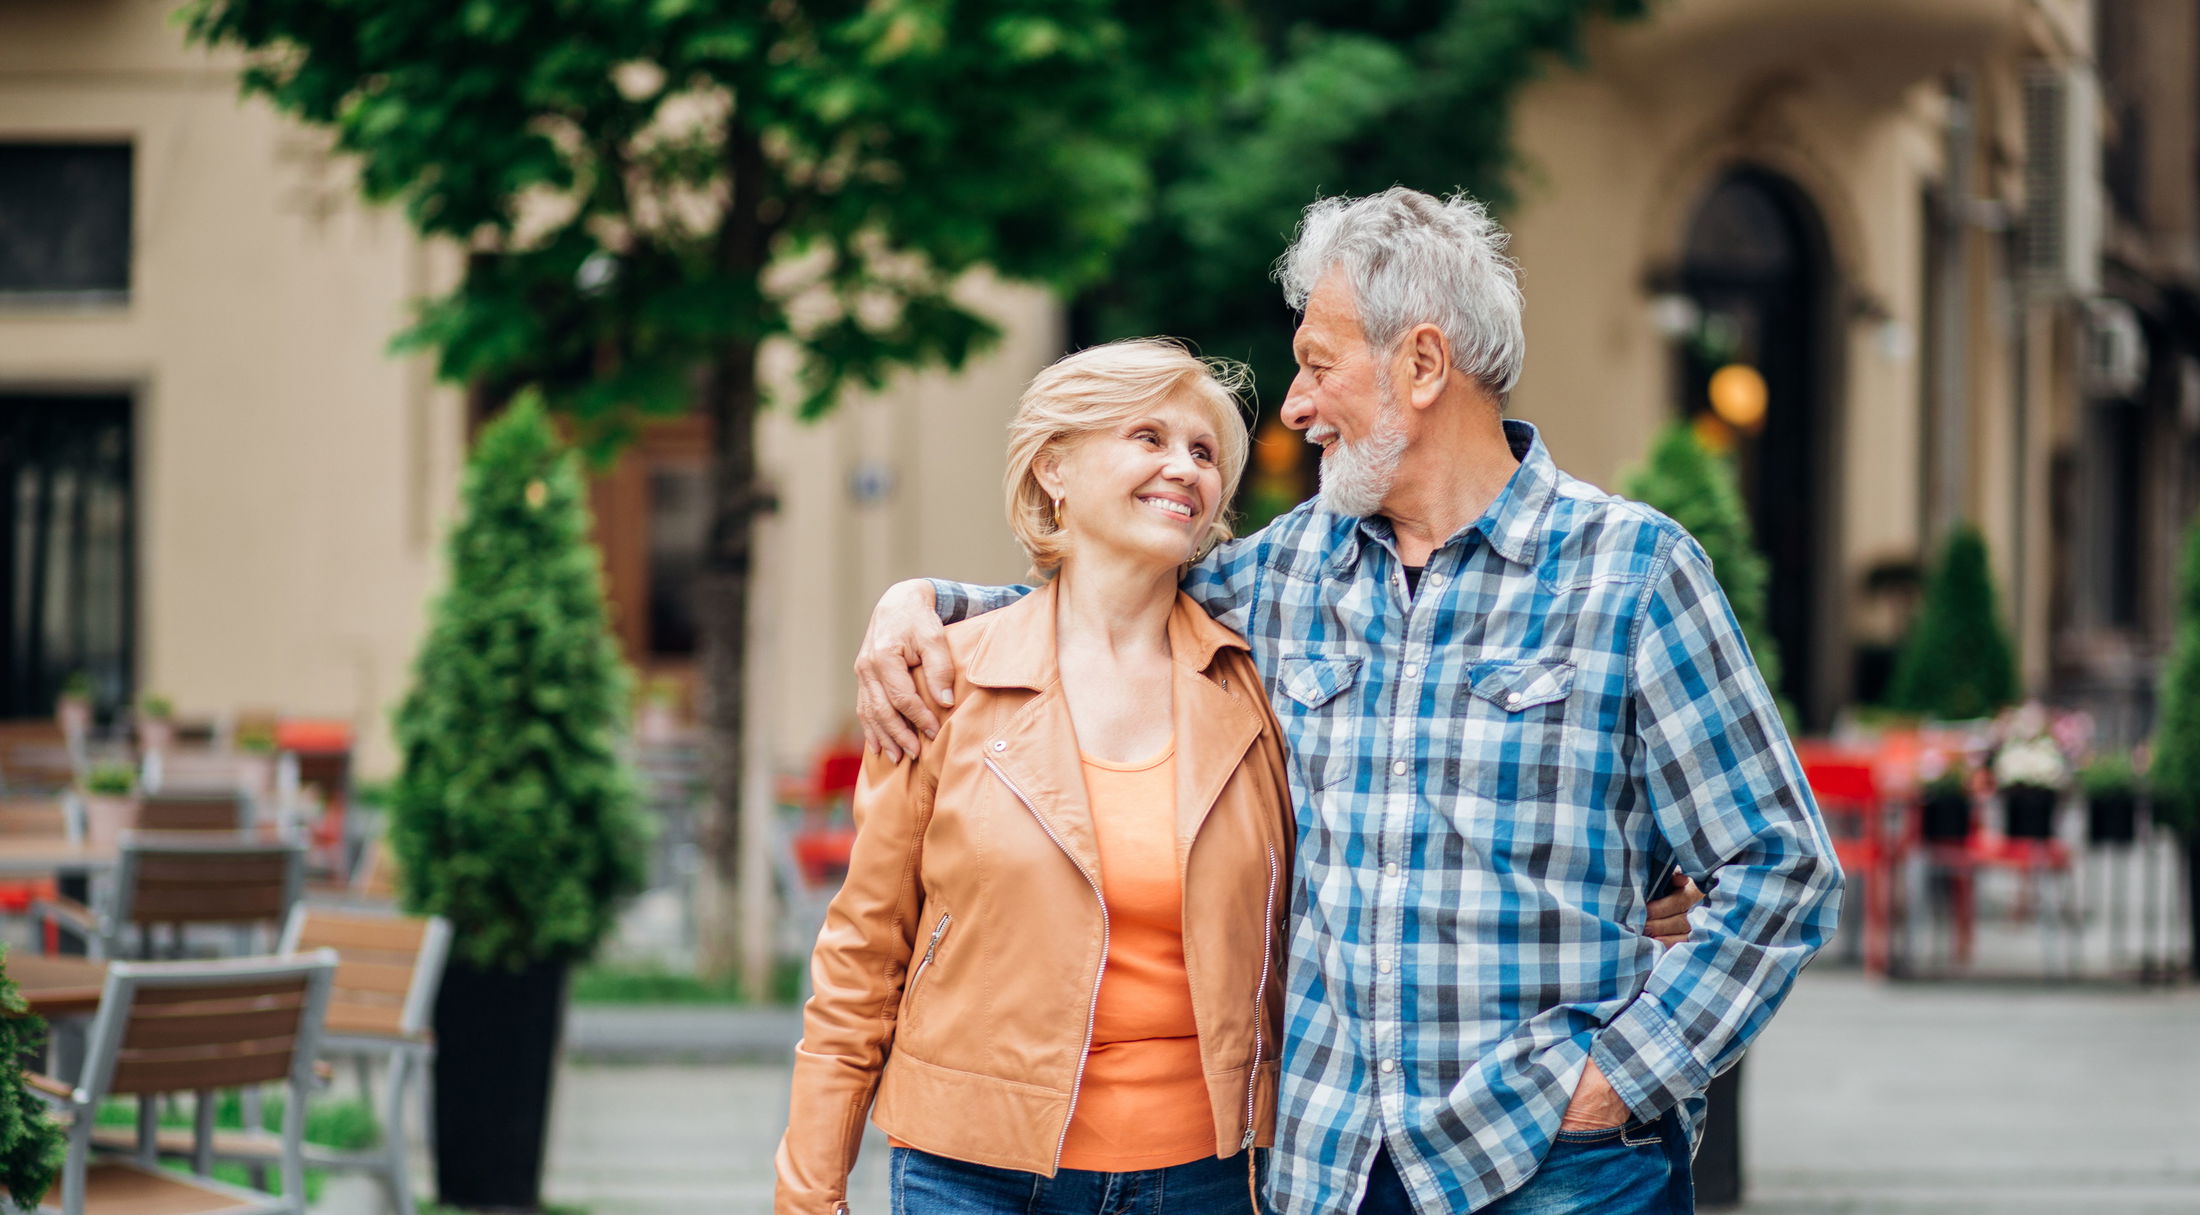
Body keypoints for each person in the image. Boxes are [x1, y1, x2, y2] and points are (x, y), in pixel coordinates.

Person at [855, 188, 1843, 1215]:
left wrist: (1619, 1082)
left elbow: (1780, 870)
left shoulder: (1632, 572)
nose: (1292, 405)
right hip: (1326, 1169)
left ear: (1421, 366)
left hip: (1560, 1167)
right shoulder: (1283, 573)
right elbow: (1092, 611)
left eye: (1317, 365)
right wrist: (920, 606)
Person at [777, 339, 1293, 1215]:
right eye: (1149, 436)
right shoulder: (944, 679)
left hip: (1209, 1174)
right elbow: (863, 955)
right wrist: (809, 1191)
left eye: (1205, 452)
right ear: (1055, 466)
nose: (1185, 467)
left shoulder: (1259, 685)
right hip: (971, 1171)